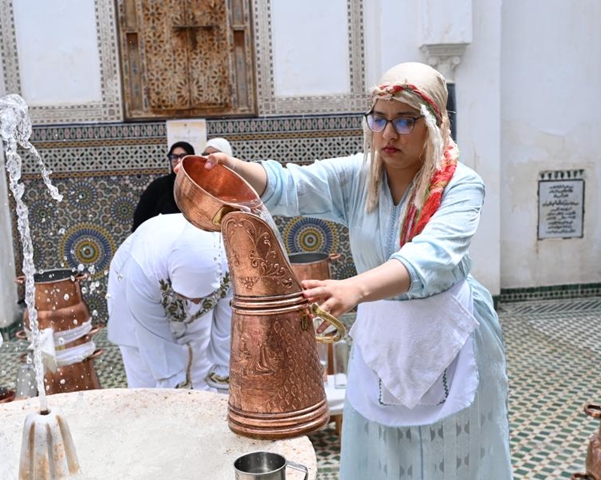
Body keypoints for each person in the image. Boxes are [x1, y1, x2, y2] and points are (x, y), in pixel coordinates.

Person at [198, 62, 512, 478]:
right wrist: (234, 168)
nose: (387, 133)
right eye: (379, 118)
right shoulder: (360, 176)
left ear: (434, 125)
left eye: (404, 121)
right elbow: (291, 185)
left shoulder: (460, 185)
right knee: (384, 449)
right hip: (385, 332)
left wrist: (355, 289)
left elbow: (432, 254)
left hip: (450, 330)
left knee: (455, 449)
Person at [107, 213, 232, 391]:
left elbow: (227, 328)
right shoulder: (141, 273)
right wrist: (174, 391)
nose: (195, 303)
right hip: (132, 295)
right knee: (147, 375)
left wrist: (225, 376)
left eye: (203, 297)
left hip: (178, 280)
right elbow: (155, 343)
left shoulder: (229, 262)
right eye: (189, 297)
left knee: (201, 359)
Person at [131, 141, 194, 232]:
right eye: (174, 157)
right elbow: (141, 216)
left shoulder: (200, 186)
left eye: (183, 156)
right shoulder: (159, 186)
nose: (178, 161)